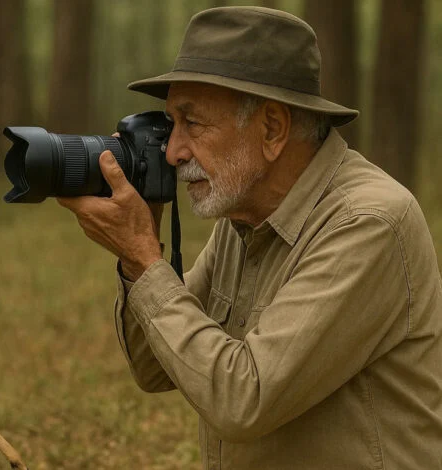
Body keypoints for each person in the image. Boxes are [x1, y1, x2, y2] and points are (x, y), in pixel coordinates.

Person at [57, 6, 442, 469]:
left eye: (192, 123)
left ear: (273, 128)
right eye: (171, 125)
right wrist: (138, 255)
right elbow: (154, 367)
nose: (173, 151)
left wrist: (145, 260)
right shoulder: (246, 217)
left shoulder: (368, 222)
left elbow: (243, 400)